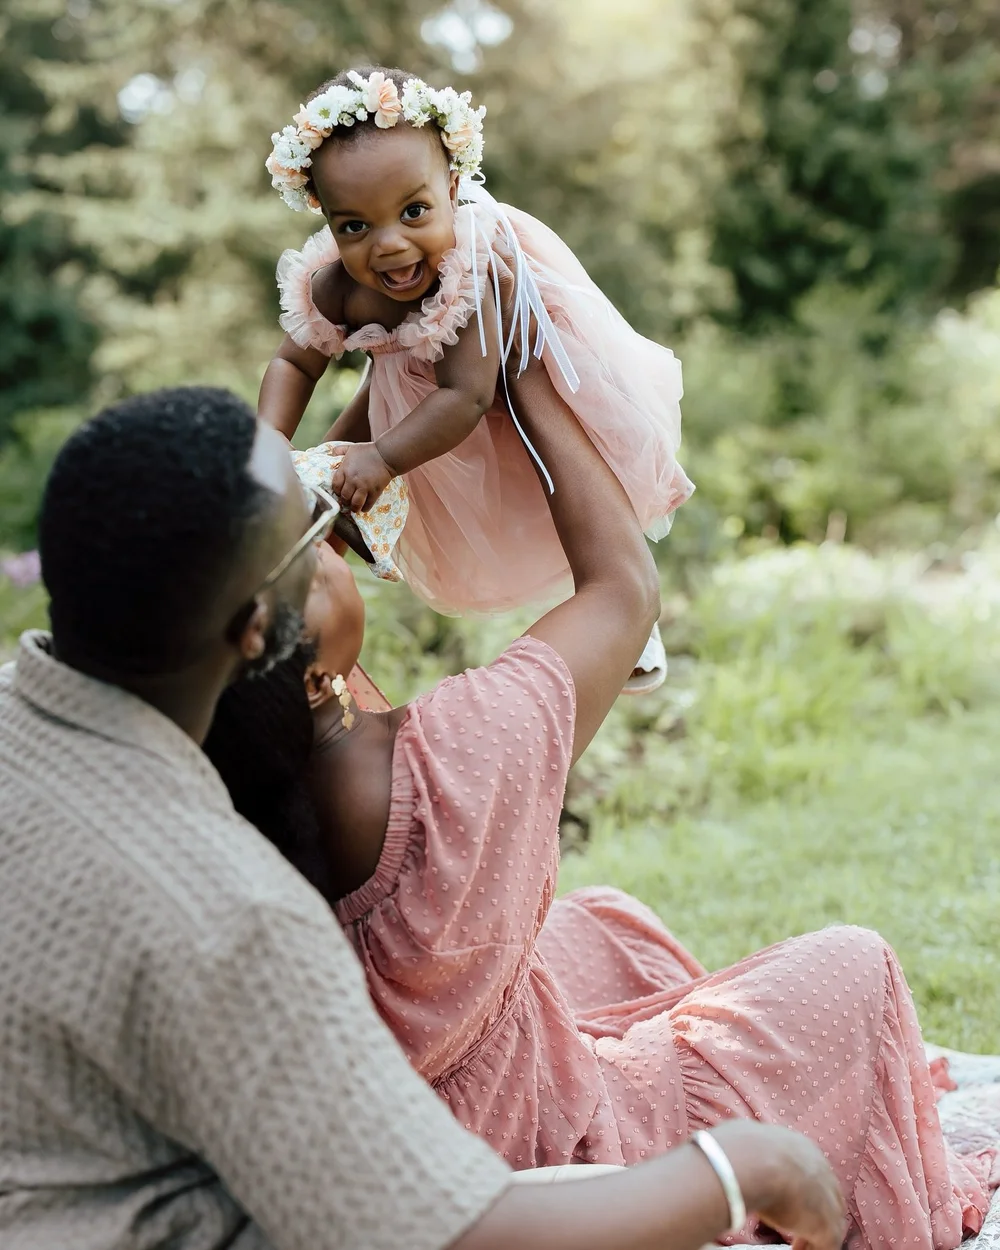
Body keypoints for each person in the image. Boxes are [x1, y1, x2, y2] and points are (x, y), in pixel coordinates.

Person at [0, 384, 847, 1250]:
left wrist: (419, 386)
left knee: (599, 935)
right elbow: (447, 1231)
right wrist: (741, 1167)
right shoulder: (233, 915)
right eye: (315, 531)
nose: (336, 532)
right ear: (256, 630)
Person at [209, 357, 996, 1249]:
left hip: (388, 1106)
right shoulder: (446, 765)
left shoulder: (210, 728)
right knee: (852, 969)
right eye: (305, 553)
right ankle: (734, 1173)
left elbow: (313, 500)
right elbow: (624, 590)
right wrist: (524, 360)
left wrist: (393, 400)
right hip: (515, 1161)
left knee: (605, 925)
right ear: (306, 663)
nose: (320, 541)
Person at [257, 64, 691, 693]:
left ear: (453, 186)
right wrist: (265, 440)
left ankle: (620, 600)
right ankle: (290, 578)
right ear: (324, 216)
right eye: (355, 226)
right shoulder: (337, 286)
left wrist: (382, 456)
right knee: (333, 455)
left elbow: (467, 396)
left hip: (512, 358)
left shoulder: (467, 272)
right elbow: (294, 361)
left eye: (414, 211)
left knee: (549, 470)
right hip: (408, 368)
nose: (389, 246)